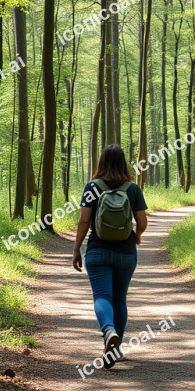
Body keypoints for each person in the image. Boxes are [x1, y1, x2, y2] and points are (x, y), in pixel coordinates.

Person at [73, 145, 148, 368]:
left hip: (97, 250)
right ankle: (116, 350)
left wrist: (77, 249)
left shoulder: (92, 187)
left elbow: (84, 221)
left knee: (102, 296)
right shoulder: (133, 188)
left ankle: (108, 331)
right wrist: (137, 235)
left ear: (101, 162)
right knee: (120, 299)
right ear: (124, 163)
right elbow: (142, 222)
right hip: (126, 252)